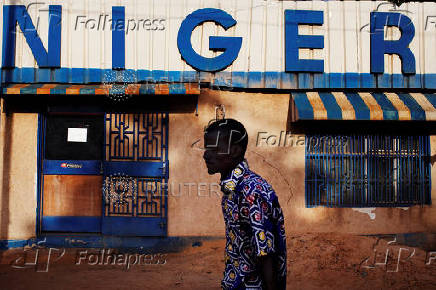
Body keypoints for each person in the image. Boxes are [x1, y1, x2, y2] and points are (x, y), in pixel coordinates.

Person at [202, 118, 287, 290]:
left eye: (214, 148)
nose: (206, 154)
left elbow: (265, 251)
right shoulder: (232, 188)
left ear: (235, 151)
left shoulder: (251, 191)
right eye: (206, 148)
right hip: (235, 281)